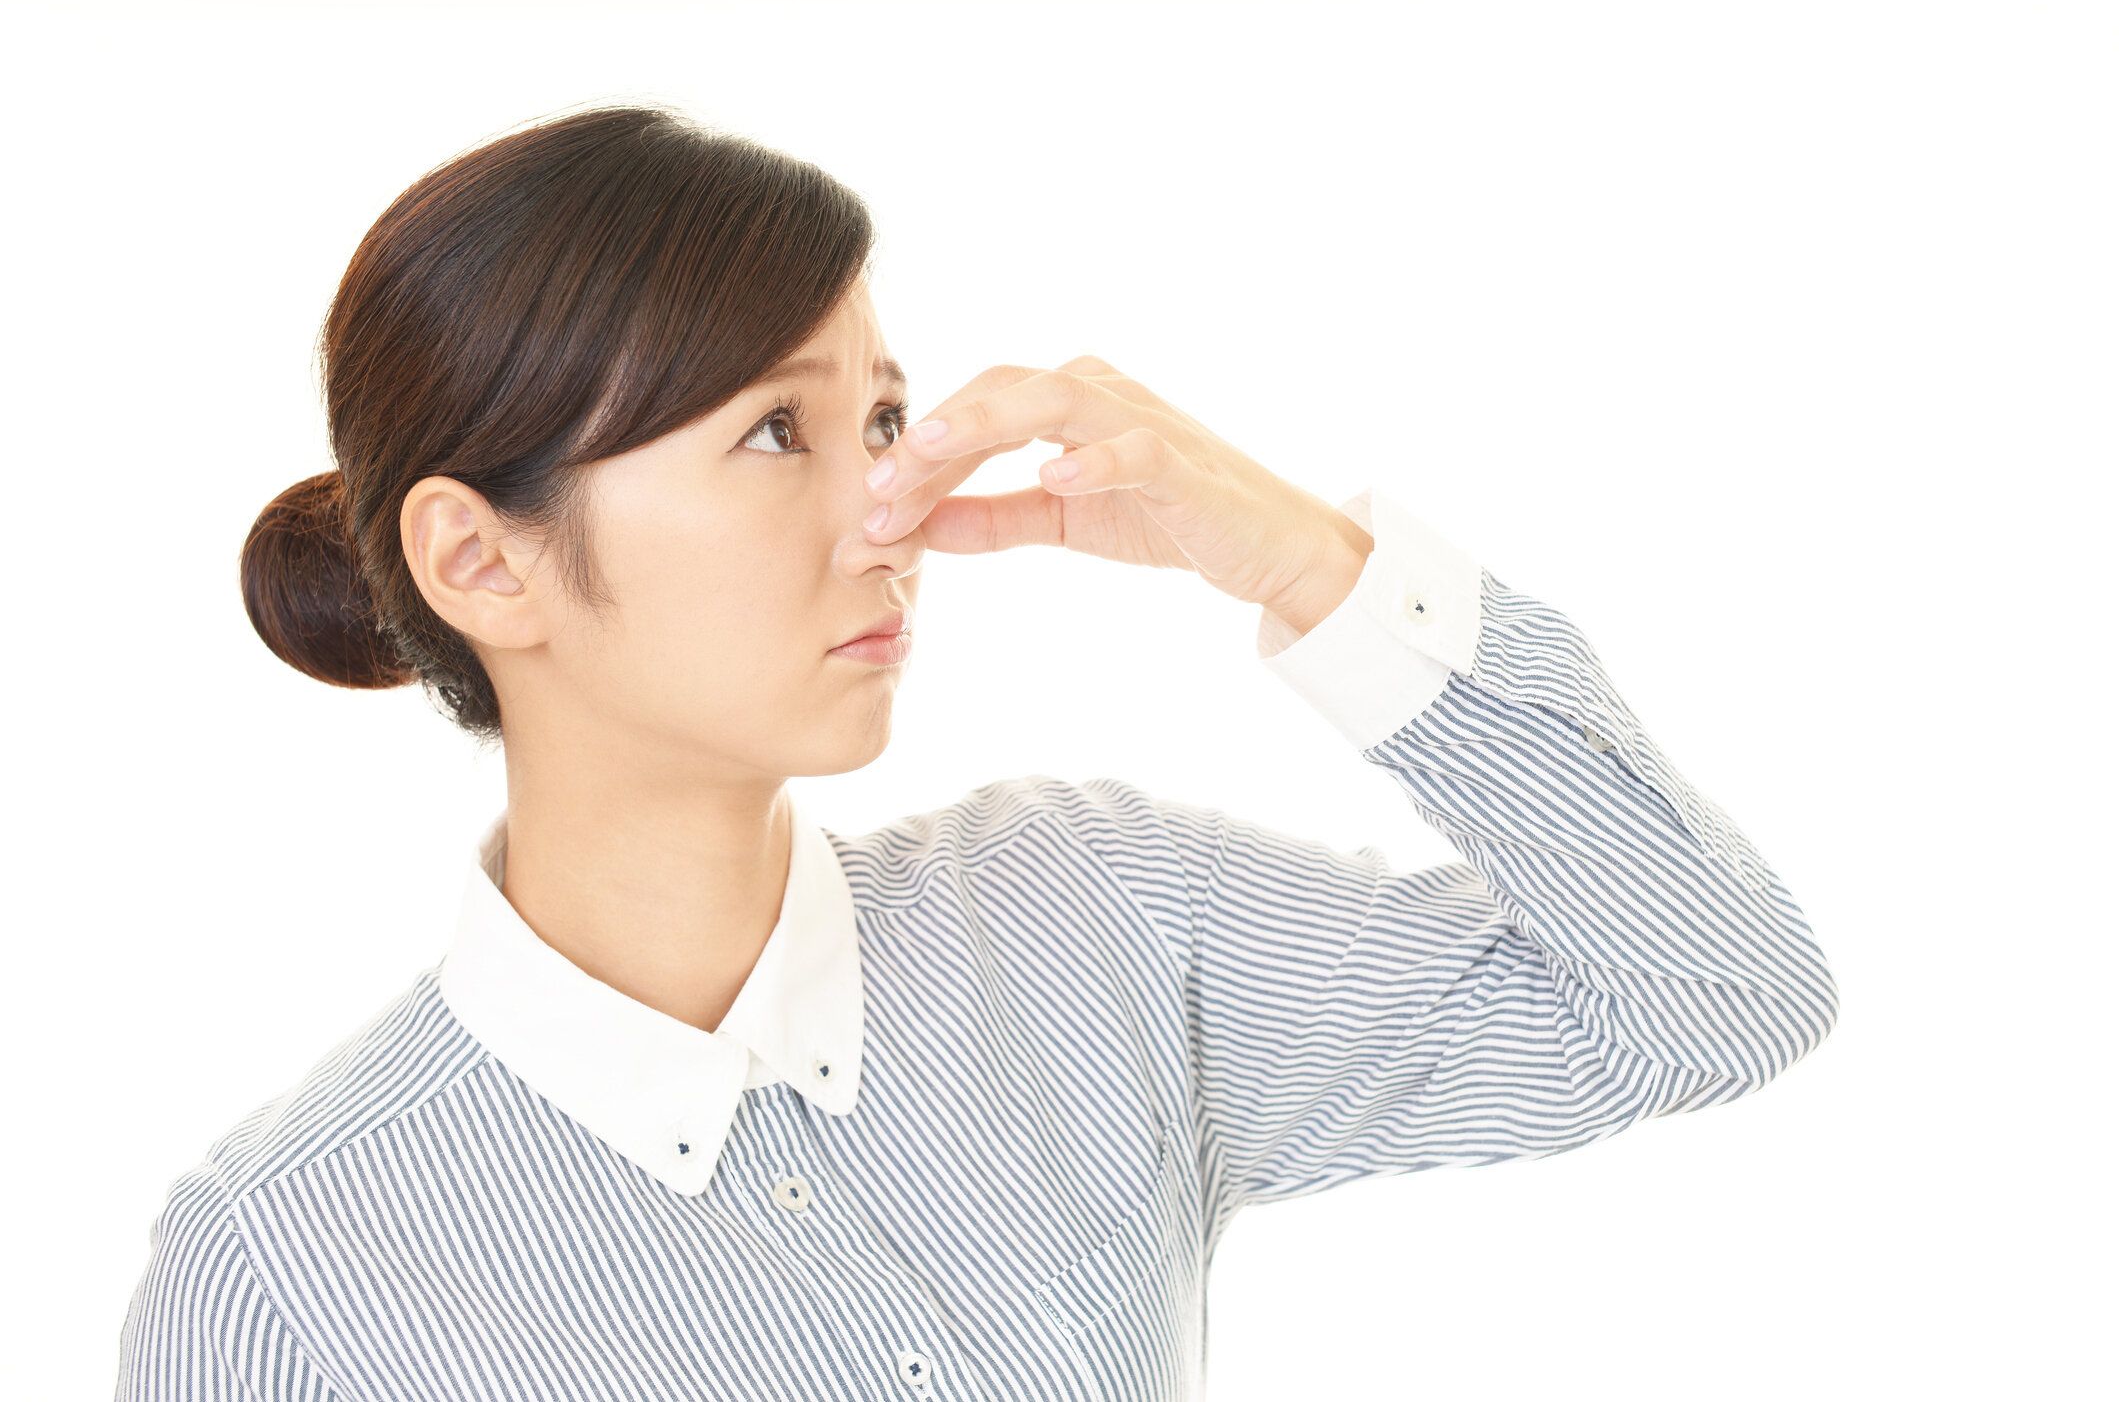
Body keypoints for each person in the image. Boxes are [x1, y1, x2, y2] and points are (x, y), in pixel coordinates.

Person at [113, 102, 1839, 1402]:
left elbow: (1714, 993)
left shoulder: (1092, 916)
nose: (890, 512)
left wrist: (1305, 560)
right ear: (482, 561)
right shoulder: (287, 1270)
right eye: (773, 430)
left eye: (882, 417)